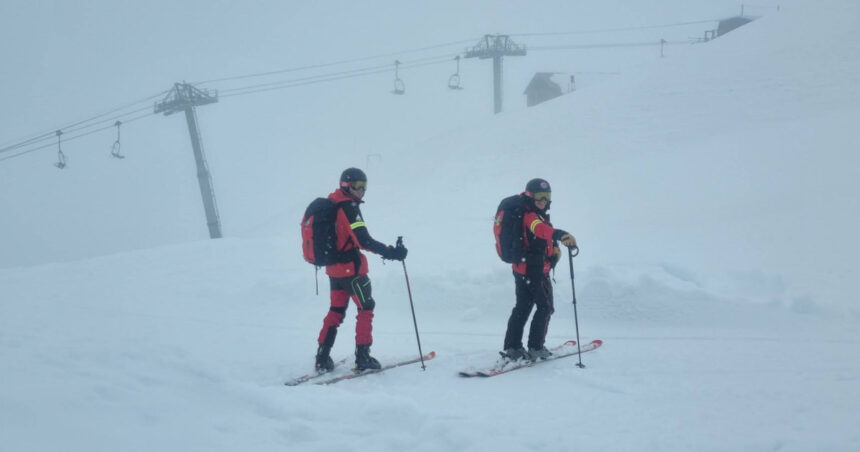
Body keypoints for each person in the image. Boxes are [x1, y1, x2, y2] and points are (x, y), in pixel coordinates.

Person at [315, 167, 408, 372]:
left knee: (336, 311)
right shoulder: (348, 207)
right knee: (366, 307)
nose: (361, 190)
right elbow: (364, 240)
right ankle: (363, 357)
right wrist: (391, 252)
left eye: (364, 186)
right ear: (346, 185)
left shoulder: (332, 203)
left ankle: (322, 357)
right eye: (357, 186)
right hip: (352, 271)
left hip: (334, 270)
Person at [502, 178, 577, 361]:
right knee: (545, 307)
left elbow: (538, 239)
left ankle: (513, 347)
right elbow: (540, 230)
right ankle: (536, 347)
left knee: (522, 307)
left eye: (547, 197)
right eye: (539, 197)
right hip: (535, 272)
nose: (543, 201)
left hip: (522, 269)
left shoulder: (529, 213)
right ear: (529, 197)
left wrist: (554, 254)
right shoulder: (531, 217)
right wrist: (560, 235)